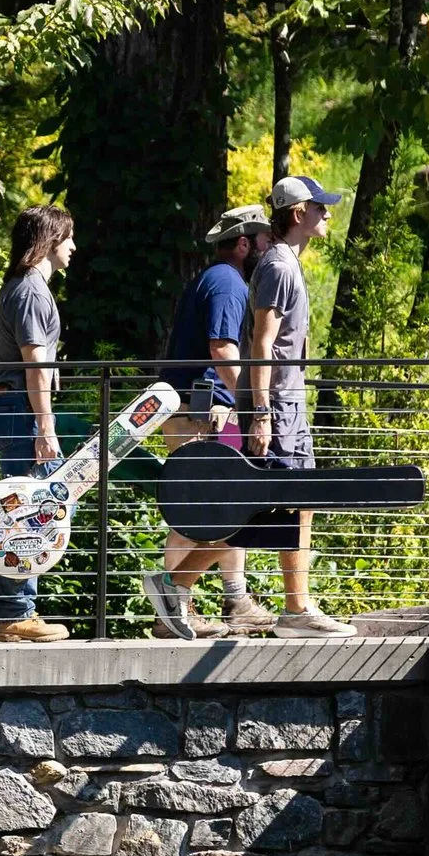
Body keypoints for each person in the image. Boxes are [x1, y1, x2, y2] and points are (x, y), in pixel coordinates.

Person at [145, 205, 274, 640]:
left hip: (208, 410)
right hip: (201, 413)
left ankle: (235, 601)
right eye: (263, 240)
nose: (267, 248)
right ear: (244, 244)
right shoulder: (227, 282)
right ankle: (172, 611)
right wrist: (254, 404)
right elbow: (222, 349)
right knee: (193, 513)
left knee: (228, 508)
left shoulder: (219, 279)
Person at [245, 176, 357, 637]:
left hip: (289, 403)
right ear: (297, 215)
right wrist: (262, 413)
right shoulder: (278, 268)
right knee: (265, 505)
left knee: (293, 502)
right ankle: (295, 609)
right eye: (319, 208)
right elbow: (262, 343)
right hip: (278, 407)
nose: (327, 214)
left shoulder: (286, 263)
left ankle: (297, 607)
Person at [0, 205, 77, 643]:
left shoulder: (19, 284)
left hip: (11, 407)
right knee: (32, 510)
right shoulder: (32, 291)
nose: (74, 247)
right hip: (21, 409)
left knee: (49, 501)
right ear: (51, 240)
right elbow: (35, 365)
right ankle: (16, 612)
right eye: (68, 237)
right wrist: (46, 427)